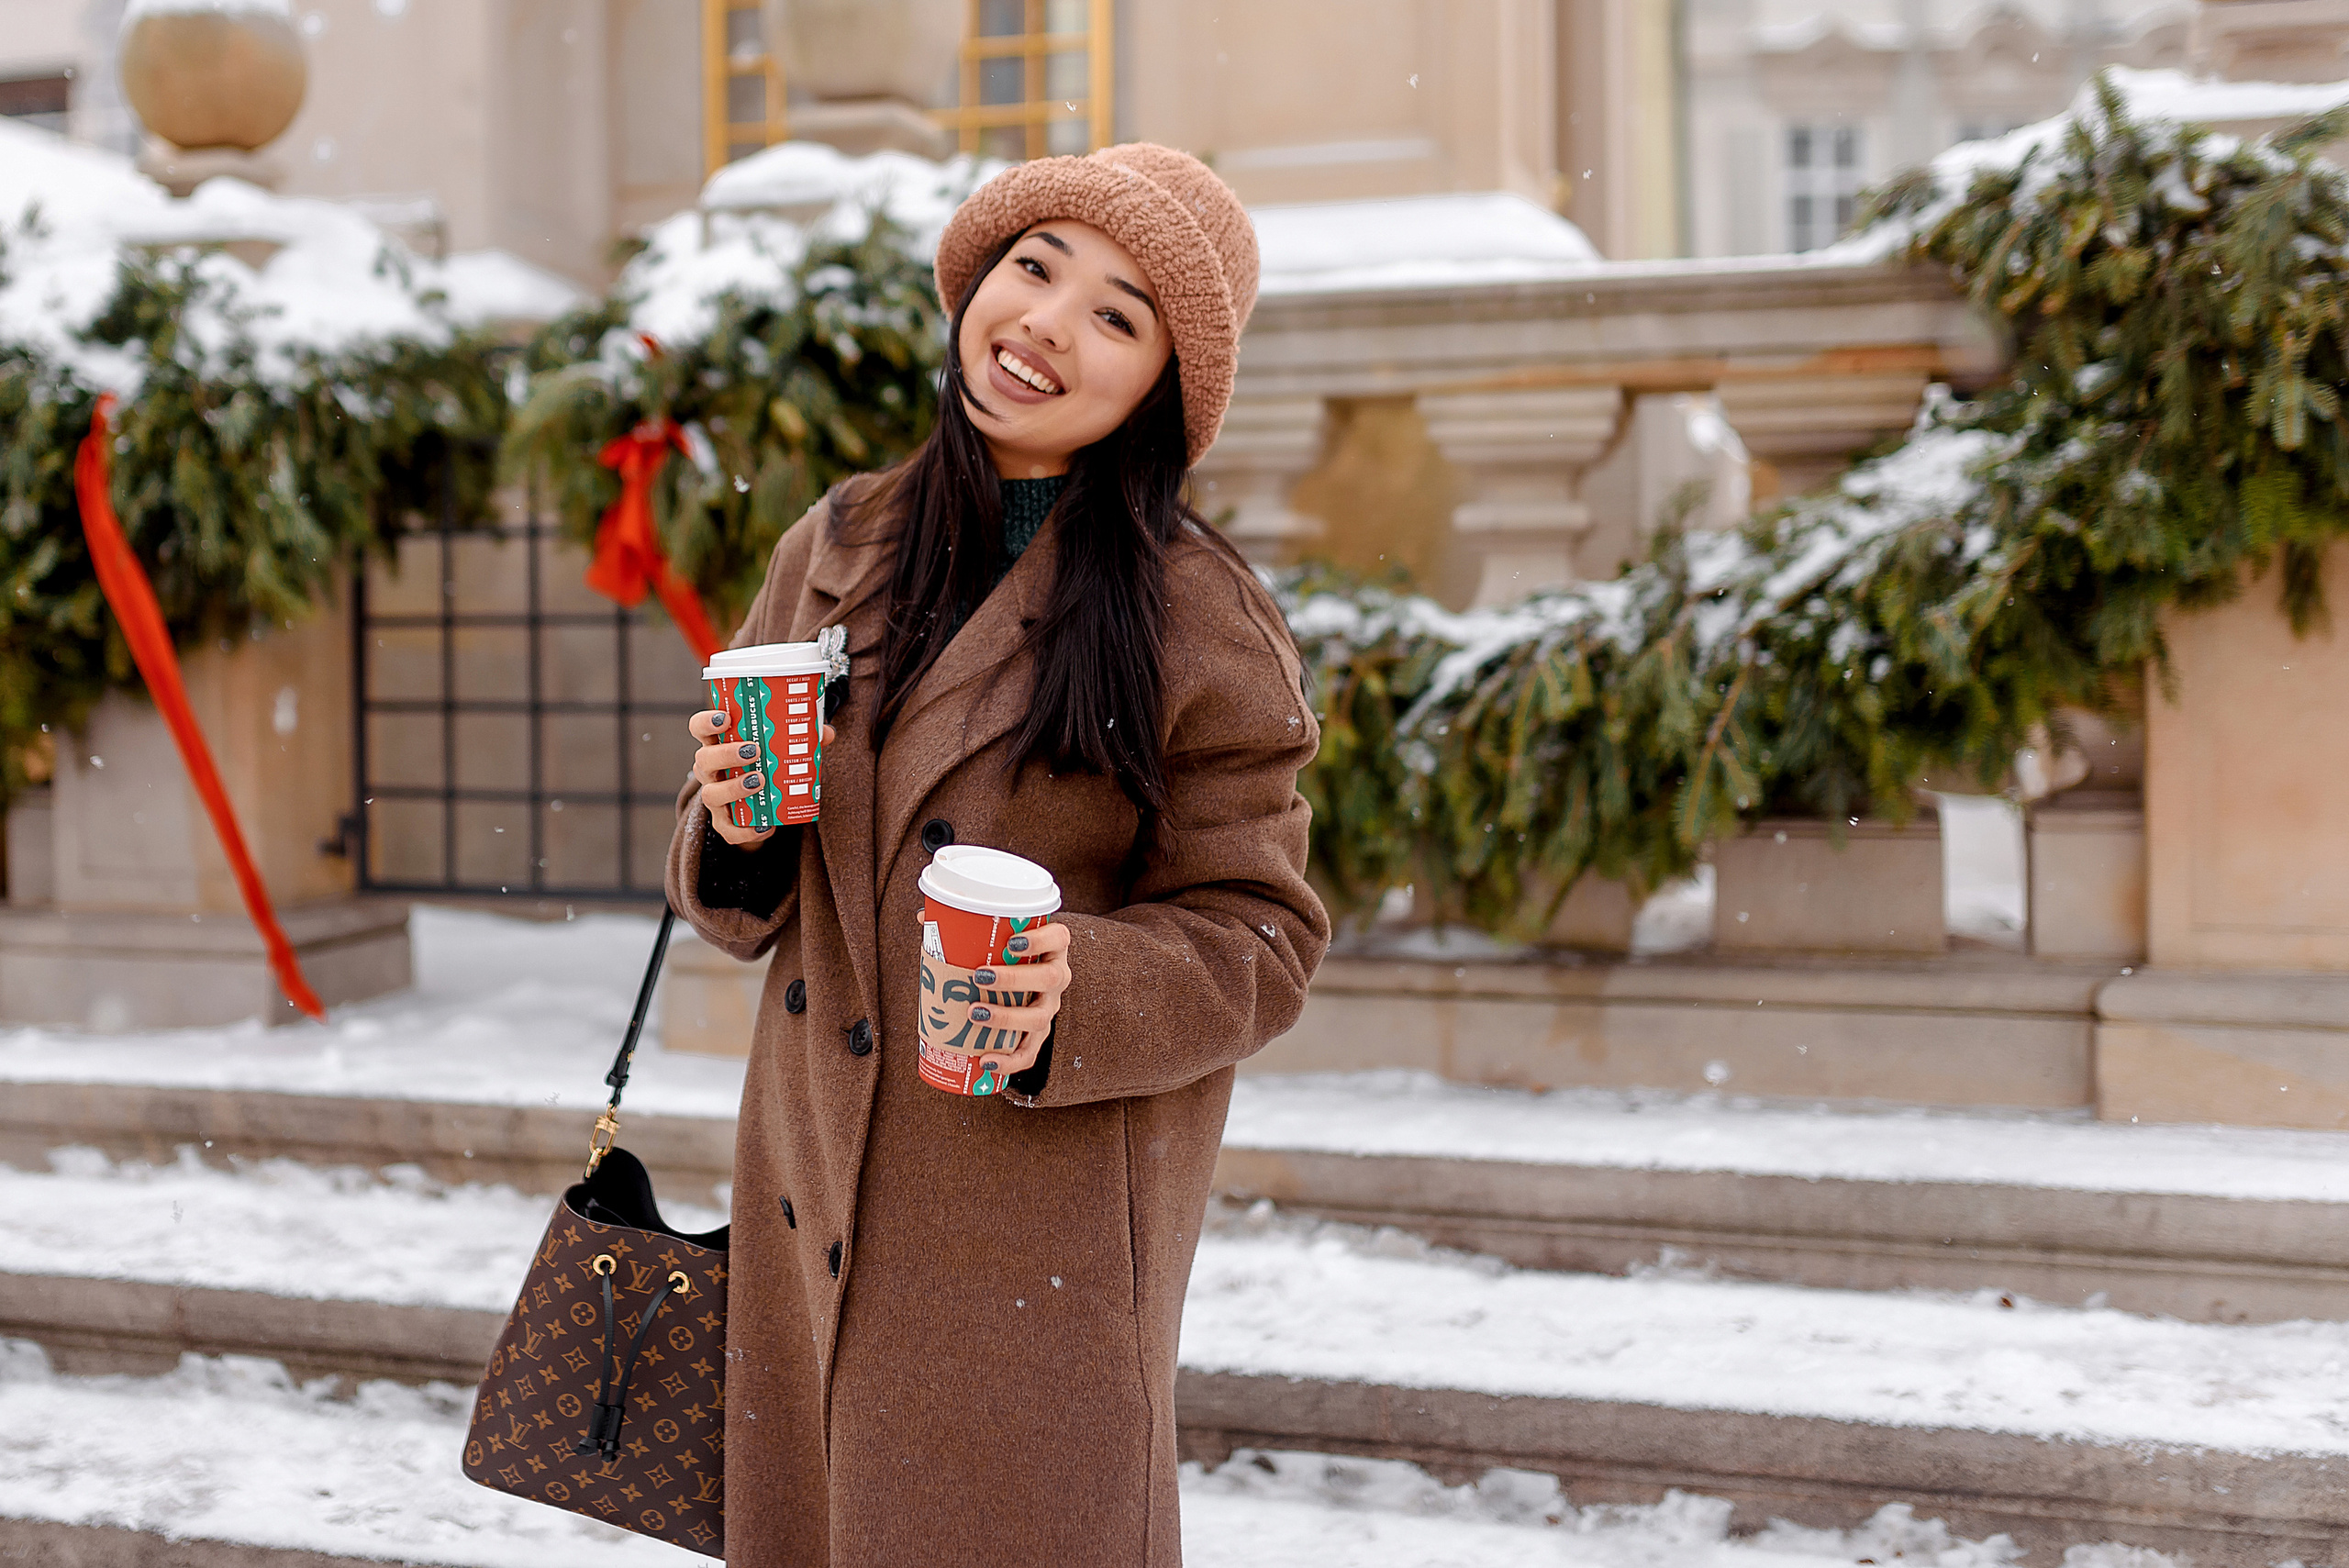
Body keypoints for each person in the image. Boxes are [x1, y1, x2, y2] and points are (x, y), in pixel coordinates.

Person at [665, 143, 1330, 1568]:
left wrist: (1071, 988)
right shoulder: (843, 539)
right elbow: (749, 893)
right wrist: (729, 824)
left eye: (1117, 314)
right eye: (1037, 268)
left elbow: (1263, 933)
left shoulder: (1197, 614)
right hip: (810, 1190)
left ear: (1161, 385)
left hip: (1032, 1233)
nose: (1045, 324)